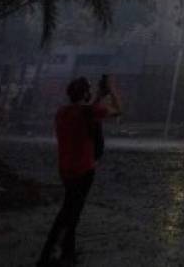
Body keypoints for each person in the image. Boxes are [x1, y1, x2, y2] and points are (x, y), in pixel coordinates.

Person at [38, 75, 121, 265]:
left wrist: (99, 96)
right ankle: (50, 254)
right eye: (89, 90)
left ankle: (67, 252)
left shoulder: (62, 112)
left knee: (70, 208)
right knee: (70, 213)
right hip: (84, 170)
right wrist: (111, 90)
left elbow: (86, 112)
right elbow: (118, 110)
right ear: (85, 93)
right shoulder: (88, 112)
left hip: (65, 169)